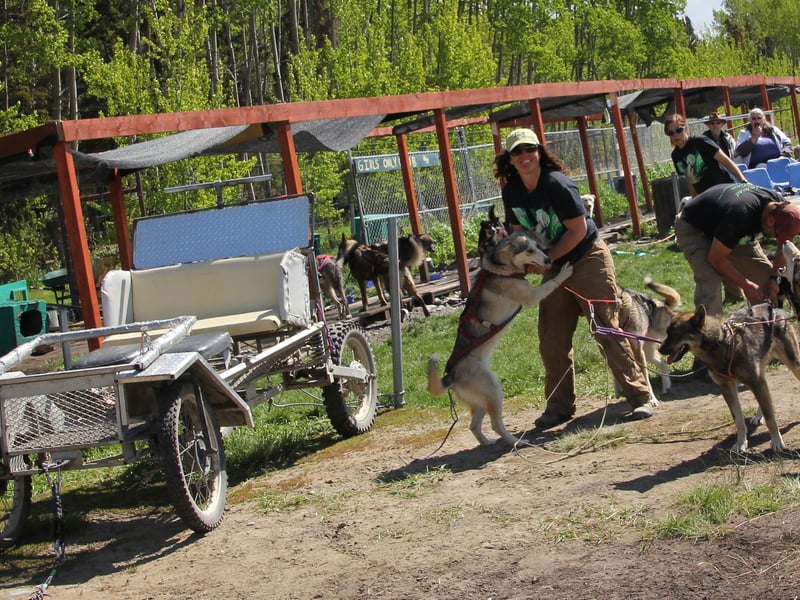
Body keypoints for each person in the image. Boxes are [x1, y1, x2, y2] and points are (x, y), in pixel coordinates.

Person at [495, 128, 656, 429]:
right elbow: (519, 232)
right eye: (517, 151)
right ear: (510, 159)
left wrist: (548, 259)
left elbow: (578, 230)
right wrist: (523, 262)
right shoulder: (512, 191)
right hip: (553, 264)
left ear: (539, 152)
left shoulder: (557, 184)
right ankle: (559, 407)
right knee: (551, 338)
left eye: (529, 149)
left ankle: (639, 396)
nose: (524, 155)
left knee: (605, 327)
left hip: (586, 257)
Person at [674, 182, 800, 319]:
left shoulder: (780, 206)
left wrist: (774, 277)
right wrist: (745, 285)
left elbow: (782, 248)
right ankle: (709, 328)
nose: (776, 238)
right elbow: (715, 258)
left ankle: (766, 325)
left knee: (764, 278)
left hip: (727, 228)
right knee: (711, 282)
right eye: (777, 235)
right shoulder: (740, 215)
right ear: (770, 221)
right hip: (694, 228)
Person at [665, 113, 747, 197]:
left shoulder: (700, 141)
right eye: (671, 132)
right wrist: (695, 200)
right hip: (705, 196)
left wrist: (743, 180)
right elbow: (691, 182)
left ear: (685, 129)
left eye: (678, 130)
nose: (675, 135)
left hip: (723, 188)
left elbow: (726, 161)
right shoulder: (676, 156)